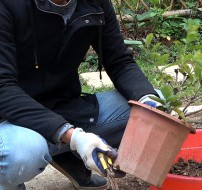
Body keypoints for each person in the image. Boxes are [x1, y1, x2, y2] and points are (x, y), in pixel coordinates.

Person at [0, 0, 161, 189]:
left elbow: (119, 61)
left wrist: (149, 101)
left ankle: (66, 154)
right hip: (10, 119)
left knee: (153, 112)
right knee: (24, 152)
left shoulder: (94, 3)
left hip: (65, 107)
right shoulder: (8, 5)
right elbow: (3, 88)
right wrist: (74, 136)